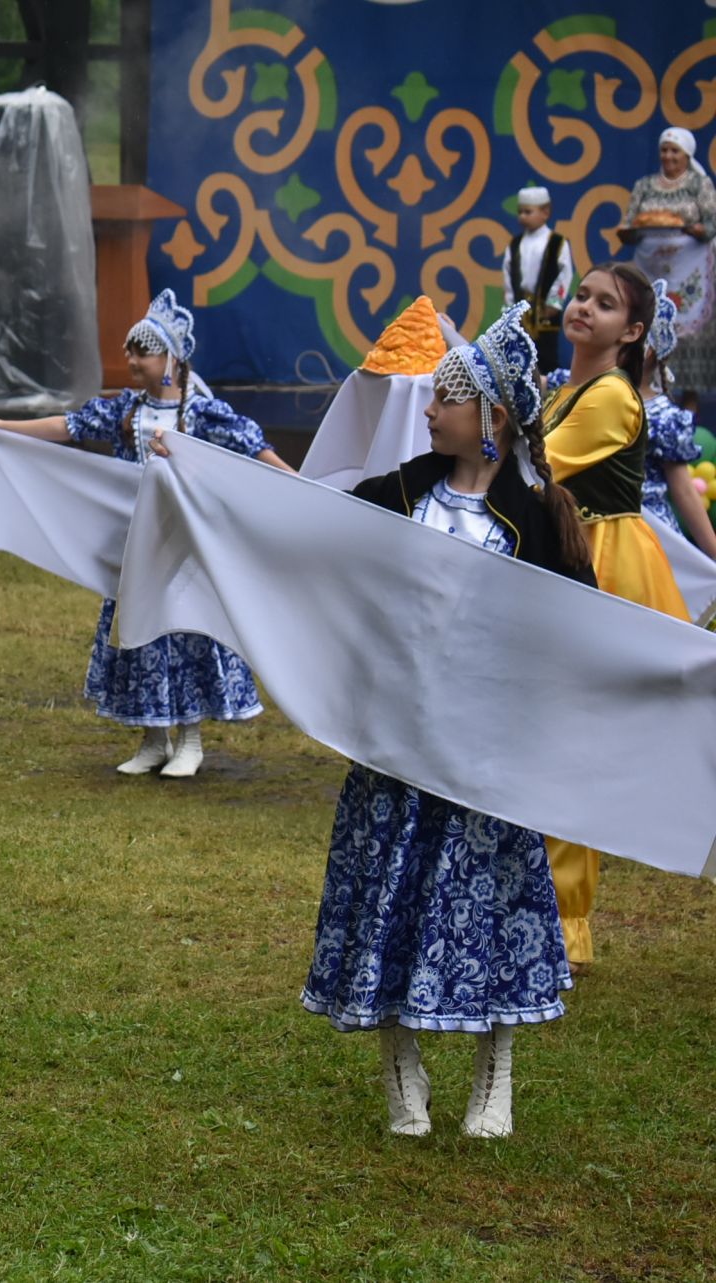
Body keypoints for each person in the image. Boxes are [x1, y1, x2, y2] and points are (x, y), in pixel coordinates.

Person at [301, 303, 593, 1139]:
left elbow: (583, 636)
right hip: (398, 741)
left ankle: (494, 1072)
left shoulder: (537, 518)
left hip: (487, 756)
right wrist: (206, 475)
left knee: (490, 907)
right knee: (387, 897)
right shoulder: (399, 492)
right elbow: (307, 526)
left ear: (491, 415)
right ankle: (401, 1064)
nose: (427, 411)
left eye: (444, 400)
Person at [0, 290, 296, 778]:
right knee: (140, 636)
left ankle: (190, 740)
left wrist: (299, 485)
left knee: (187, 635)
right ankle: (153, 738)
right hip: (140, 550)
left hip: (189, 553)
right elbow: (69, 426)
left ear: (170, 358)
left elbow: (254, 449)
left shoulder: (205, 415)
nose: (131, 360)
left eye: (141, 351)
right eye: (130, 351)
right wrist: (3, 427)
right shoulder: (127, 411)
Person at [540, 265, 690, 967]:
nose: (585, 309)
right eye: (583, 295)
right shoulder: (568, 389)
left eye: (606, 305)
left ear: (631, 333)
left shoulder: (609, 396)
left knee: (575, 743)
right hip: (571, 560)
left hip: (603, 569)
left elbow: (536, 466)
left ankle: (564, 921)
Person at [548, 282, 716, 558]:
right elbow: (522, 382)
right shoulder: (576, 387)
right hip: (585, 523)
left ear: (644, 348)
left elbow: (684, 492)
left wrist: (712, 553)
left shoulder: (662, 416)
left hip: (645, 535)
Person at [626, 127, 716, 342]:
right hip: (649, 263)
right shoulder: (644, 186)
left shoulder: (699, 184)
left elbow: (712, 222)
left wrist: (696, 230)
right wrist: (629, 233)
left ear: (687, 155)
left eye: (674, 151)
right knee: (649, 317)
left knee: (684, 327)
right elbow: (630, 225)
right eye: (664, 150)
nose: (668, 156)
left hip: (689, 265)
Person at [503, 185, 573, 374]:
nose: (522, 217)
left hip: (545, 310)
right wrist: (510, 307)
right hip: (521, 308)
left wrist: (554, 303)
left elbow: (565, 273)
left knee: (546, 354)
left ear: (545, 212)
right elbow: (509, 276)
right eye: (520, 212)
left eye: (528, 212)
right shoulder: (515, 244)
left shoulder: (558, 242)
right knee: (518, 354)